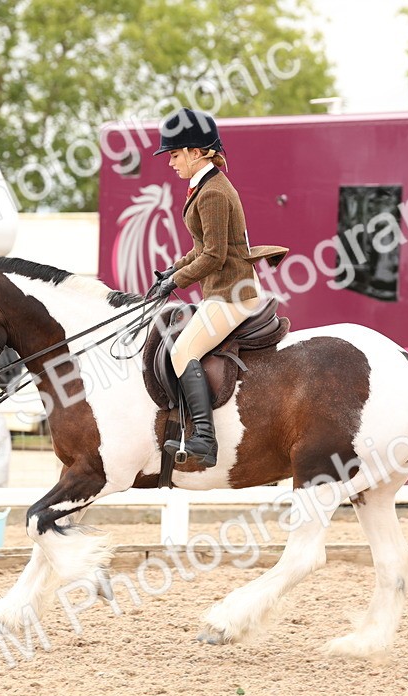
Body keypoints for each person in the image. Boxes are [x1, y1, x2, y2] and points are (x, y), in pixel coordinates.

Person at [146, 107, 263, 468]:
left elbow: (212, 256)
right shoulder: (206, 187)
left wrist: (177, 282)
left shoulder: (212, 192)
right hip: (223, 290)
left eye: (176, 154)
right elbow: (200, 248)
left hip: (231, 294)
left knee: (183, 352)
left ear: (197, 152)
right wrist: (171, 271)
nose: (171, 163)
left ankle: (204, 440)